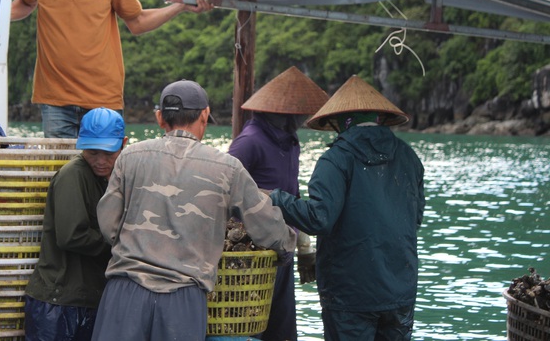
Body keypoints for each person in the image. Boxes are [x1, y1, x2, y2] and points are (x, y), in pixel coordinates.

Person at [92, 79, 297, 341]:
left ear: (159, 118)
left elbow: (108, 224)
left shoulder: (129, 157)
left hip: (124, 292)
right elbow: (269, 227)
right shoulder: (228, 168)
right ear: (204, 115)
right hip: (182, 299)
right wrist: (287, 245)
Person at [10, 0, 213, 138]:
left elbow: (136, 22)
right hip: (55, 100)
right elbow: (26, 4)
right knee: (63, 171)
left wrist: (180, 6)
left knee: (104, 170)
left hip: (103, 99)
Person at [269, 75, 425, 341]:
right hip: (400, 287)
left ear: (342, 121)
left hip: (350, 293)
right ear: (380, 118)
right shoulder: (409, 157)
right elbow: (415, 218)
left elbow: (319, 218)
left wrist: (275, 198)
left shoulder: (336, 159)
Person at [228, 66, 329, 341]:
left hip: (283, 248)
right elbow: (225, 191)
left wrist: (305, 246)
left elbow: (292, 195)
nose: (303, 118)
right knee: (251, 326)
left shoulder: (290, 142)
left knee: (282, 328)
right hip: (253, 254)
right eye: (298, 113)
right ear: (282, 113)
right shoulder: (249, 142)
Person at [24, 107, 127, 341]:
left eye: (109, 153)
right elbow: (72, 235)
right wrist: (123, 246)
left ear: (124, 144)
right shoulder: (73, 175)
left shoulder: (111, 179)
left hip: (85, 298)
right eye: (92, 152)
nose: (100, 161)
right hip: (58, 304)